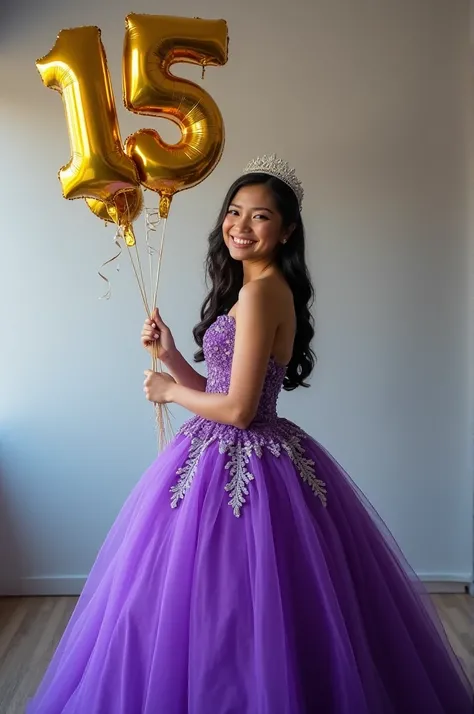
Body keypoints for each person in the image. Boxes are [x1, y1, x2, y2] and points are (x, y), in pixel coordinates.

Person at [27, 155, 473, 714]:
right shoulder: (253, 288)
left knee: (226, 605)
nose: (240, 225)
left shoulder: (263, 293)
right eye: (234, 211)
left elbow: (238, 410)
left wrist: (169, 392)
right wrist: (171, 359)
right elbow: (221, 390)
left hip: (242, 460)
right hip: (231, 452)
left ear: (286, 230)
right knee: (221, 602)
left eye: (260, 217)